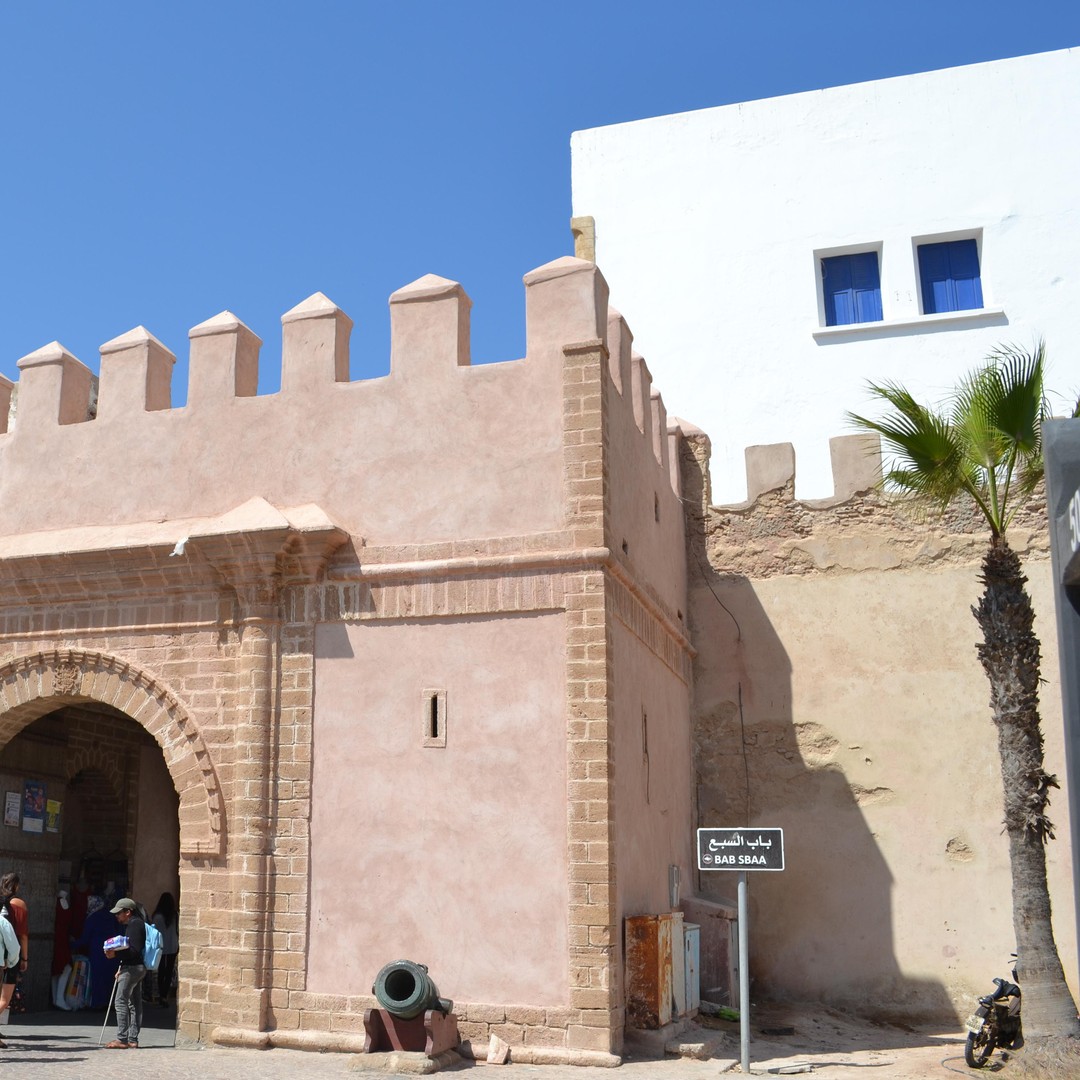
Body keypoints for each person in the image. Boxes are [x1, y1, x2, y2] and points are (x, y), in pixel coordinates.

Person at [103, 897, 145, 1049]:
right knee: (134, 1004)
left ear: (128, 912)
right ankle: (132, 1039)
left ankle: (122, 1039)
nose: (117, 916)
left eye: (119, 913)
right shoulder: (134, 924)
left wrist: (115, 955)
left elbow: (134, 950)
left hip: (133, 968)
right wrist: (121, 967)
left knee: (120, 1001)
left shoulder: (135, 925)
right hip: (135, 967)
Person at [0, 873, 29, 1049]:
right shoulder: (18, 904)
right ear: (16, 886)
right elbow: (23, 935)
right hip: (9, 956)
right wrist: (25, 958)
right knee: (4, 999)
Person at [151, 892, 178, 1007]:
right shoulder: (175, 915)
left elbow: (154, 932)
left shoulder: (157, 916)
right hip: (173, 945)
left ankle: (161, 995)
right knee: (169, 970)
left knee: (161, 970)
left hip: (161, 946)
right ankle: (165, 995)